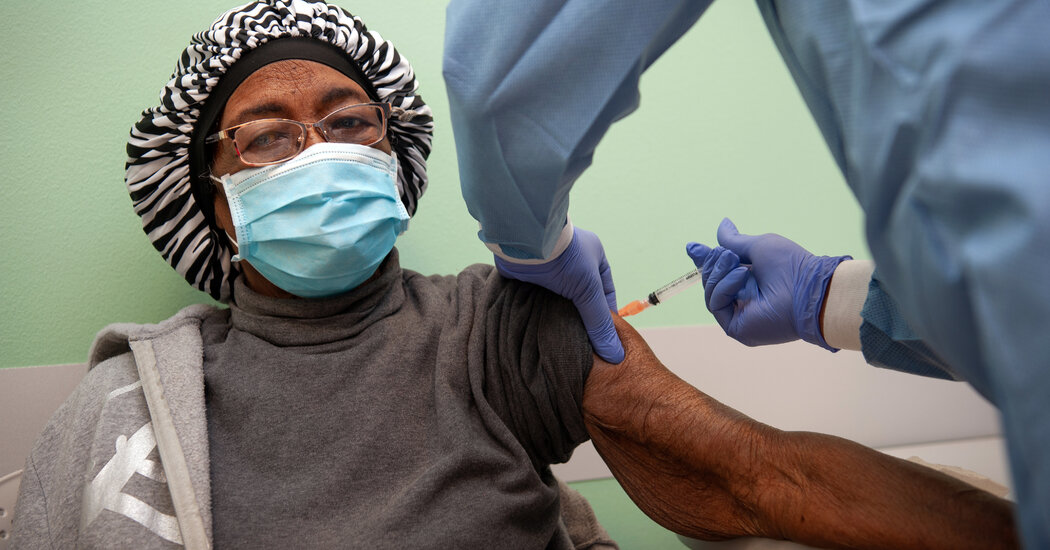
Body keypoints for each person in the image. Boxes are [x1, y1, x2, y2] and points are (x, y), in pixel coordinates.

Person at [11, 1, 1020, 549]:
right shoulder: (128, 412)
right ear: (217, 205)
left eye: (351, 122)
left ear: (395, 163)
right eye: (268, 137)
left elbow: (757, 473)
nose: (320, 152)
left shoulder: (494, 328)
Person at [443, 1, 1050, 546]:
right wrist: (827, 295)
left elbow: (498, 79)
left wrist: (534, 247)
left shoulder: (474, 319)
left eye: (373, 127)